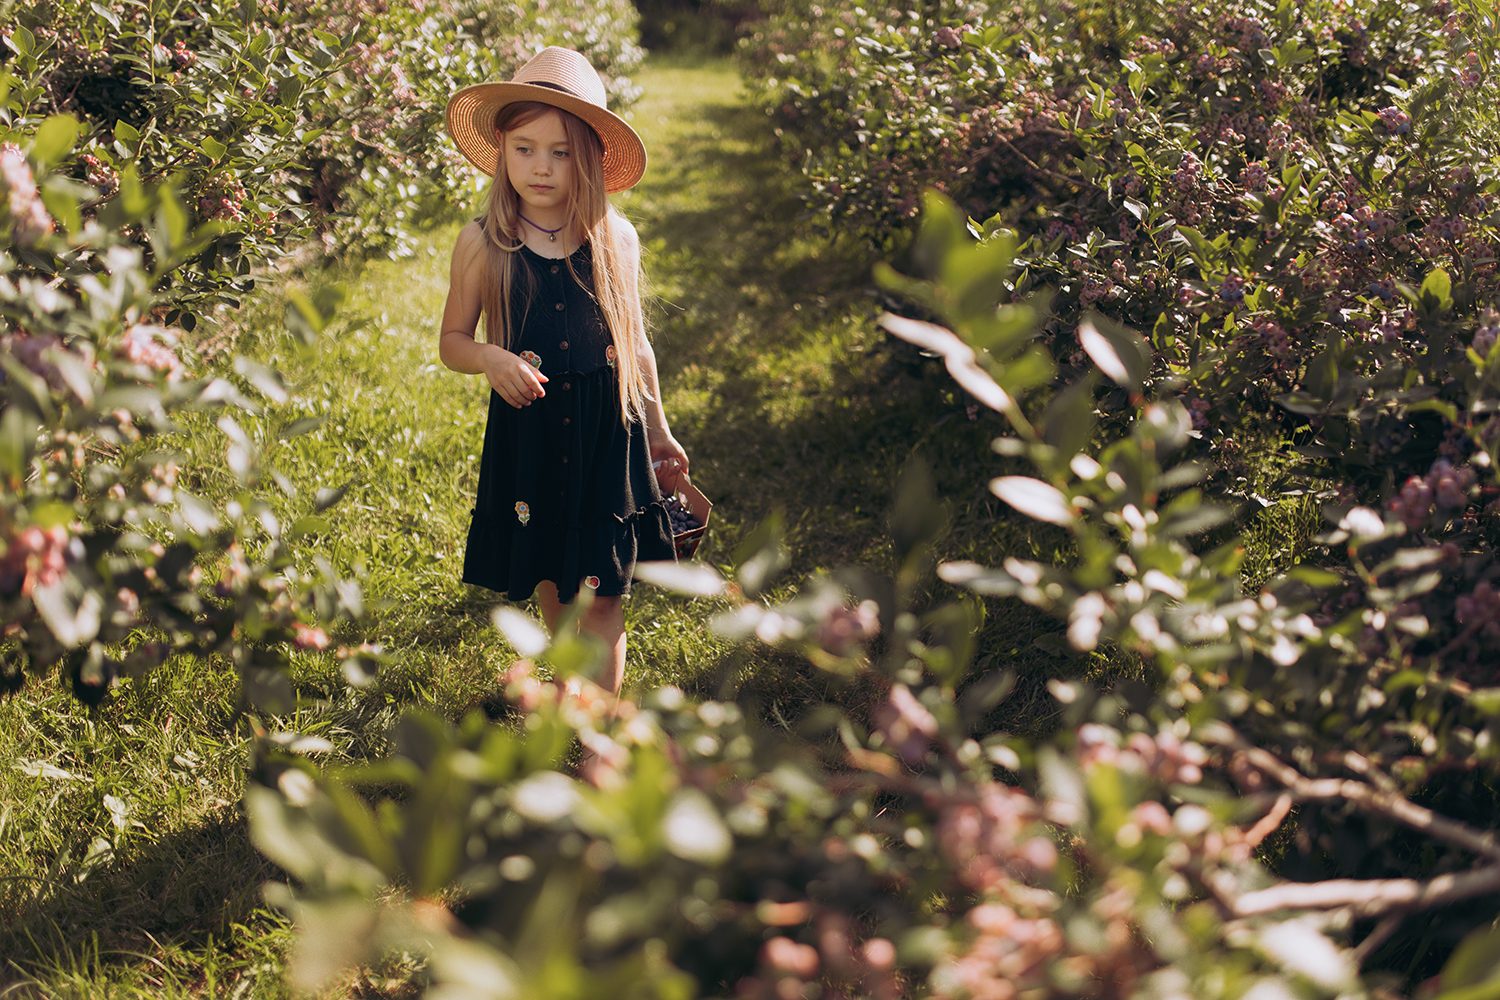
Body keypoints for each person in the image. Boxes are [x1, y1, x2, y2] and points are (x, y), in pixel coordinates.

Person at [439, 47, 689, 693]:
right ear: (501, 149)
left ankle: (601, 726)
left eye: (561, 151)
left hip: (610, 436)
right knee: (554, 577)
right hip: (534, 432)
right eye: (524, 149)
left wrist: (659, 431)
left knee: (604, 593)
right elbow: (452, 341)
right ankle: (568, 688)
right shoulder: (484, 243)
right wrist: (491, 358)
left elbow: (635, 346)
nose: (541, 167)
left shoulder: (615, 239)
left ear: (591, 158)